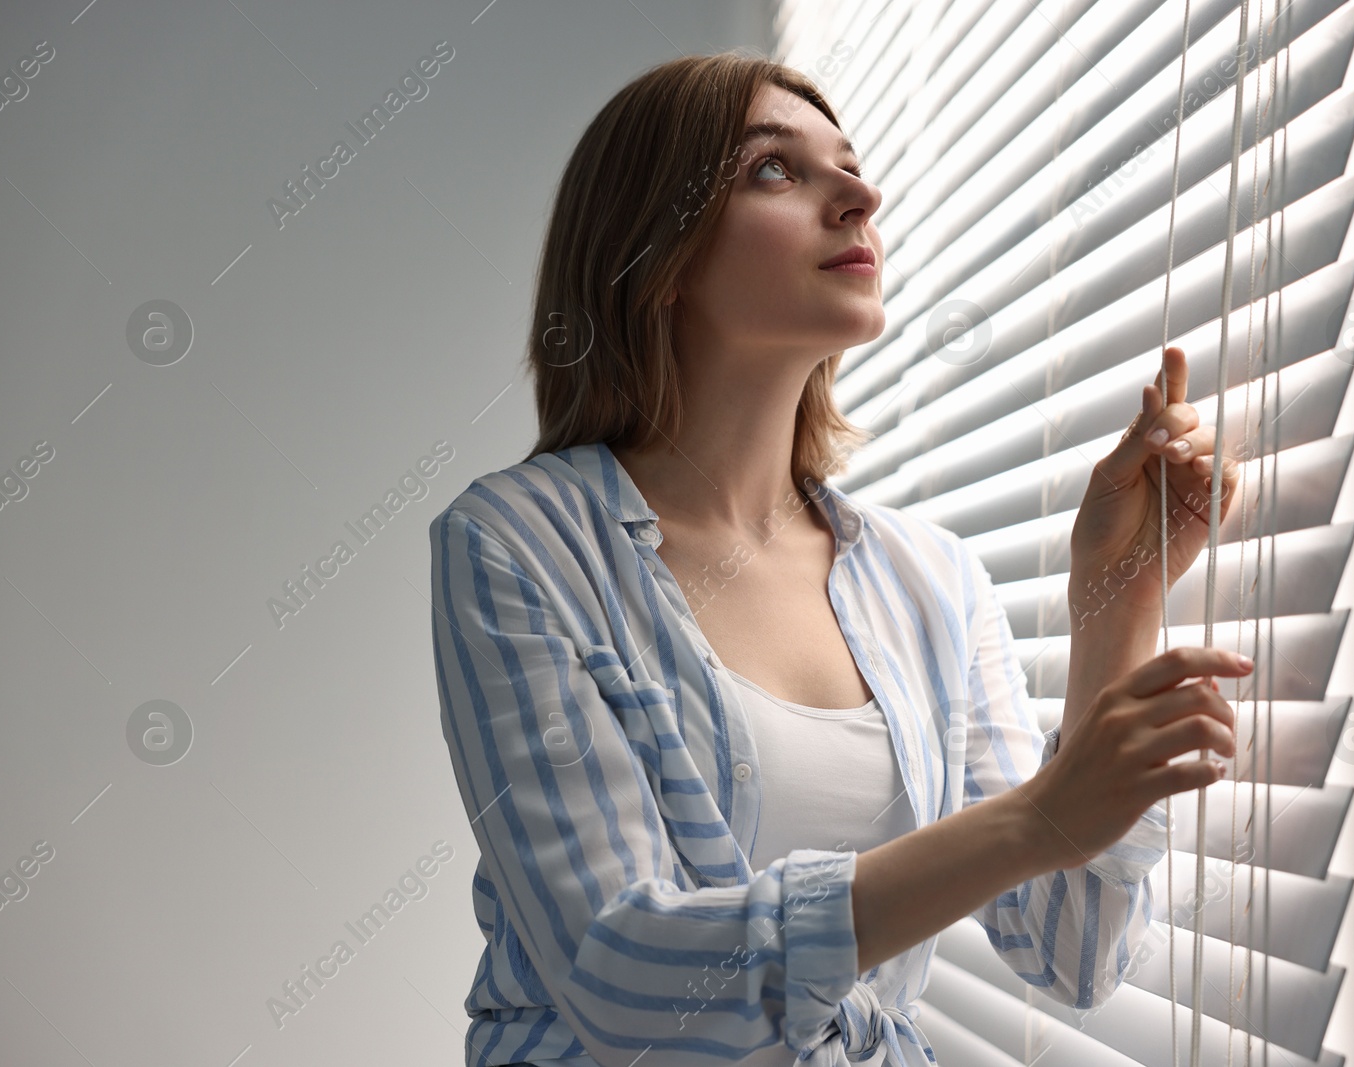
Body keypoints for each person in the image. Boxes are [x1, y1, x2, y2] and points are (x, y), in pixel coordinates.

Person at [429, 50, 1246, 1067]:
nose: (860, 194)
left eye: (852, 166)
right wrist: (1033, 815)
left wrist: (1118, 596)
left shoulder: (932, 579)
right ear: (657, 253)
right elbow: (620, 971)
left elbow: (1073, 950)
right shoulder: (519, 542)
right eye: (776, 169)